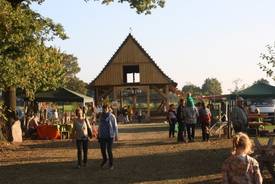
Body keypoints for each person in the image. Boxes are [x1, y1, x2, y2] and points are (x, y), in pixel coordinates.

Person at [98, 104, 118, 170]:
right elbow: (100, 126)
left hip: (110, 136)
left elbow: (115, 126)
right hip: (102, 136)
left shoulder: (112, 116)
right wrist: (98, 134)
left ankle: (111, 164)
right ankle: (105, 159)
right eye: (104, 109)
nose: (105, 110)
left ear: (108, 109)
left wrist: (116, 135)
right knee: (103, 149)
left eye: (106, 109)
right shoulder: (101, 116)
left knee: (109, 150)